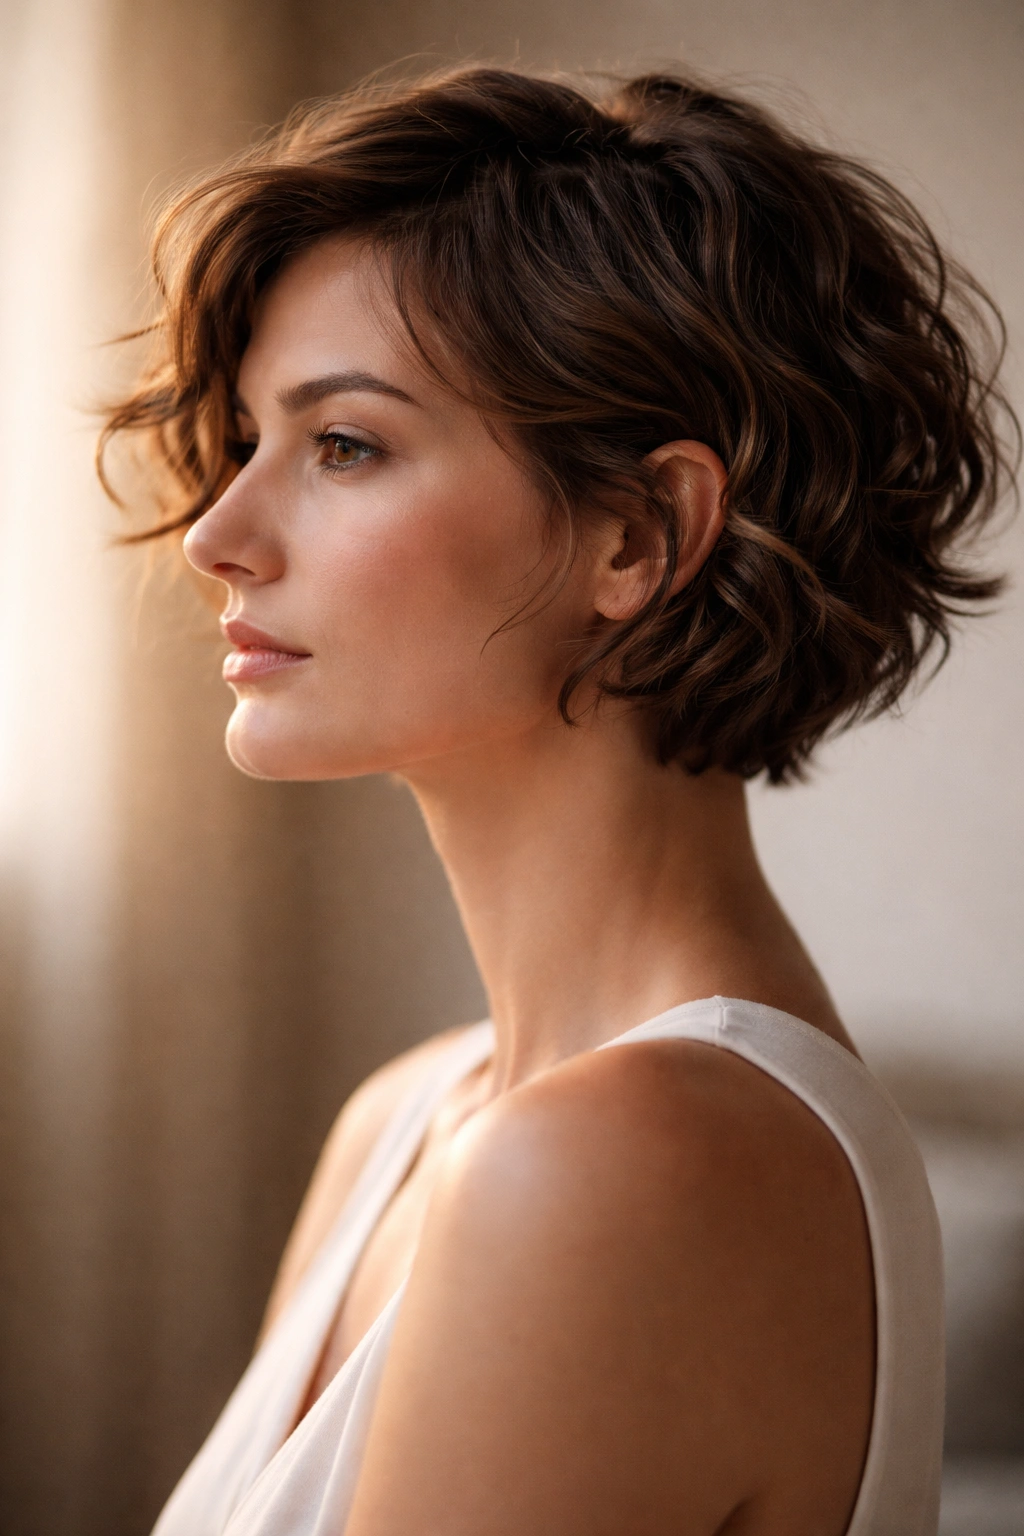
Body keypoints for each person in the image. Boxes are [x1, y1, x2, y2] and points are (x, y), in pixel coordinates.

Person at [100, 67, 1016, 1536]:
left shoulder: (613, 1165)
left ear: (641, 536)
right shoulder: (411, 1121)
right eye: (248, 439)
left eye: (344, 445)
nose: (218, 533)